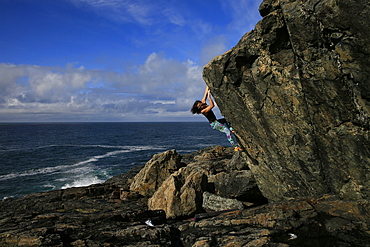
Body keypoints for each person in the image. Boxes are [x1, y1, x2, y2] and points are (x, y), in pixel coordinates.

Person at [191, 86, 242, 151]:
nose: (201, 106)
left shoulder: (203, 103)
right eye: (200, 107)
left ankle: (231, 129)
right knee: (227, 132)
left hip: (217, 121)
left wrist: (208, 86)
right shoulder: (203, 111)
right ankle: (235, 146)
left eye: (201, 104)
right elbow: (212, 105)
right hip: (214, 124)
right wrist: (209, 98)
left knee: (227, 120)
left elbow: (205, 93)